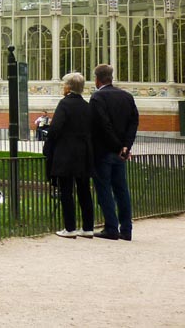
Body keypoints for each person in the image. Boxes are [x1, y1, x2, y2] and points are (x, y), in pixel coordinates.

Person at [89, 63, 139, 241]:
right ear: (111, 77)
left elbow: (103, 126)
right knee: (121, 190)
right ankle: (126, 229)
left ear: (97, 79)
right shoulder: (127, 96)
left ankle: (111, 227)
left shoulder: (97, 98)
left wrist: (119, 146)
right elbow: (134, 123)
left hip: (104, 152)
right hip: (121, 153)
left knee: (104, 189)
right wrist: (126, 146)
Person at [44, 72, 95, 238]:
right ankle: (88, 227)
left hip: (66, 154)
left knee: (66, 191)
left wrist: (48, 146)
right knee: (84, 191)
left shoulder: (64, 104)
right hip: (84, 154)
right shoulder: (86, 106)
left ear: (68, 87)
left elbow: (55, 128)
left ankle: (70, 227)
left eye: (64, 84)